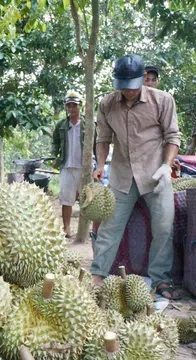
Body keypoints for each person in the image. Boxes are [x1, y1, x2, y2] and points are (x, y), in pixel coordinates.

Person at [91, 55, 181, 300]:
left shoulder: (162, 100)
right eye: (123, 86)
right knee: (110, 227)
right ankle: (97, 274)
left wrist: (166, 165)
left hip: (155, 174)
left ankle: (160, 279)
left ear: (143, 79)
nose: (128, 92)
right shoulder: (107, 104)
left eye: (132, 86)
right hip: (121, 175)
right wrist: (100, 166)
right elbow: (103, 139)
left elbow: (173, 137)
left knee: (163, 227)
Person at [52, 91, 85, 238]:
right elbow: (55, 143)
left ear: (80, 106)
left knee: (88, 199)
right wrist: (54, 157)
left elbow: (97, 143)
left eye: (74, 106)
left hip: (85, 167)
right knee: (67, 199)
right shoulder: (61, 125)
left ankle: (84, 230)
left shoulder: (88, 124)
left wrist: (98, 164)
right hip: (67, 165)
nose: (71, 108)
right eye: (68, 106)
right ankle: (66, 228)